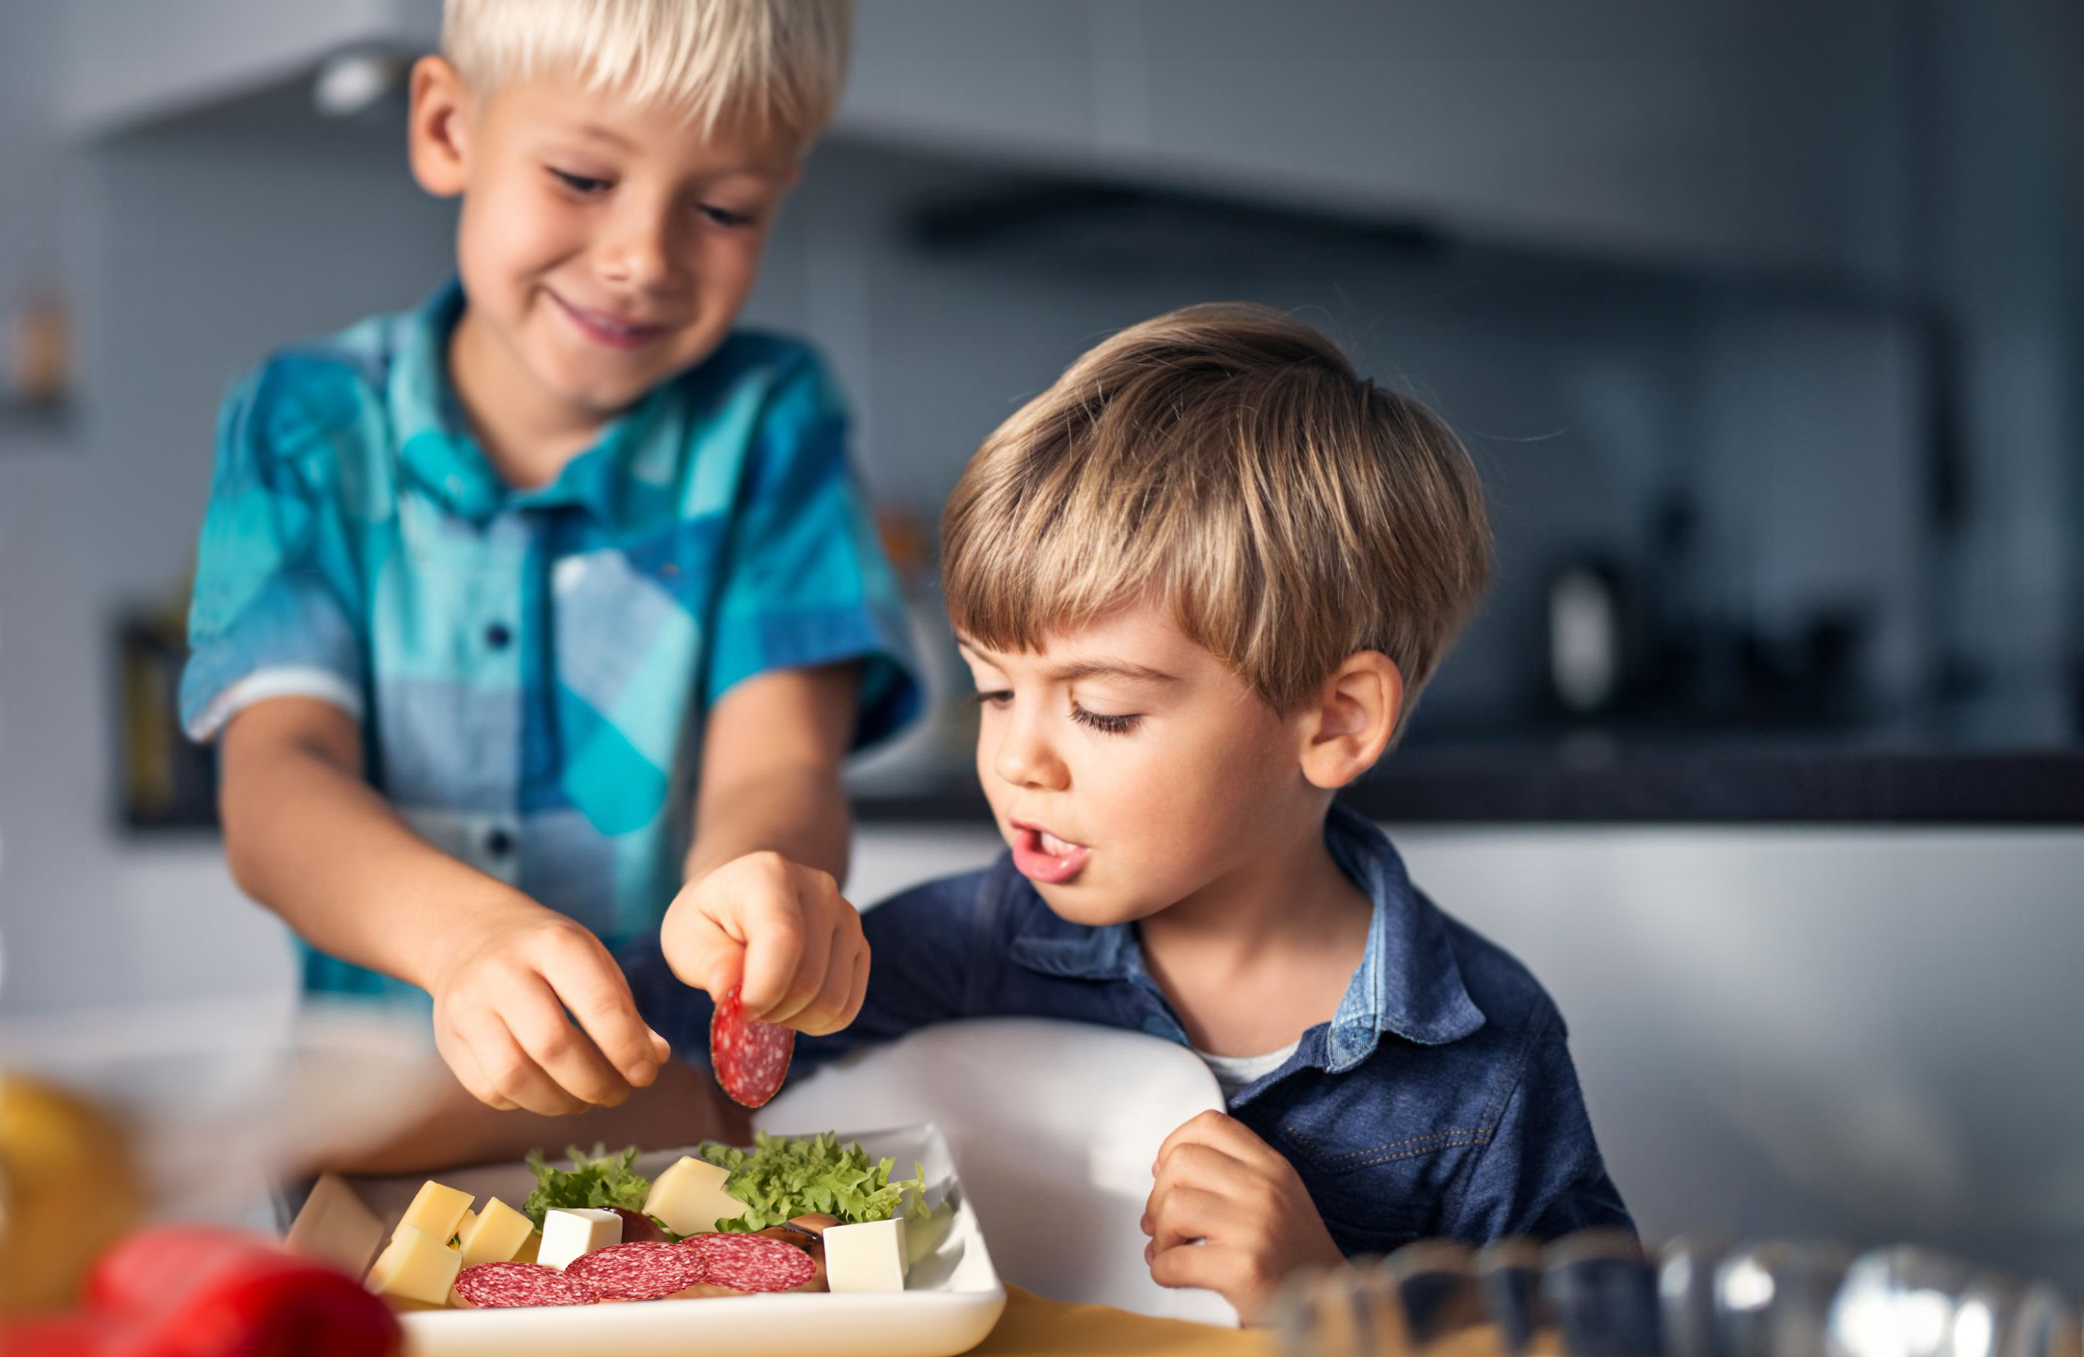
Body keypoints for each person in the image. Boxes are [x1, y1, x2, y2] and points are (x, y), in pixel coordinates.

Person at [632, 303, 1634, 1320]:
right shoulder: (967, 945)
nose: (1018, 760)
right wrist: (722, 941)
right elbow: (673, 1084)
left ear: (1334, 720)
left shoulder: (1484, 1054)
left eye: (1101, 711)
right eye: (991, 691)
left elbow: (1602, 1333)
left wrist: (1332, 1302)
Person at [181, 0, 912, 1121]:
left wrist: (750, 886)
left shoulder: (773, 424)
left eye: (722, 208)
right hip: (377, 1133)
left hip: (673, 1129)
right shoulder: (302, 423)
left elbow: (781, 768)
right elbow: (279, 787)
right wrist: (463, 936)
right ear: (446, 128)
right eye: (581, 177)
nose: (641, 259)